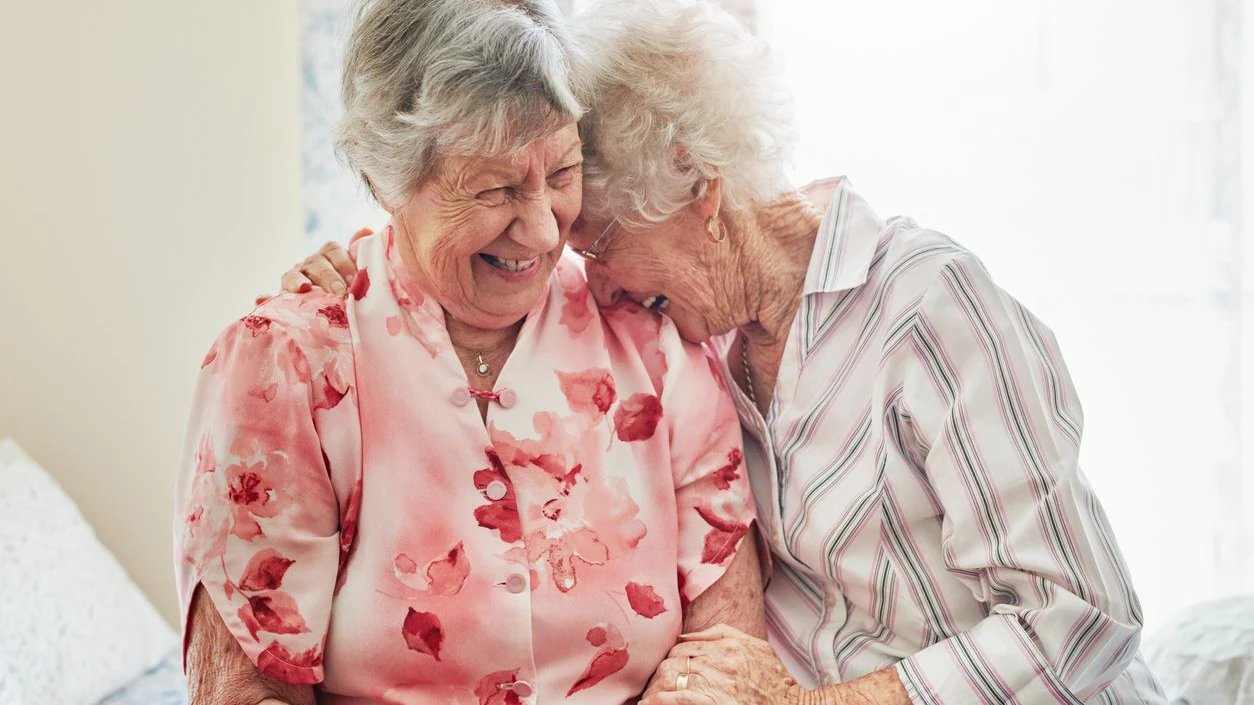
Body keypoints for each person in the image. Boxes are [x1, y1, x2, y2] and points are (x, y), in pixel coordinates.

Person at [287, 0, 1171, 702]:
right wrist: (362, 272)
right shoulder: (697, 346)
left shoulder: (926, 305)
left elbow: (1083, 614)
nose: (593, 289)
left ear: (701, 192)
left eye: (601, 246)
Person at [173, 1, 766, 704]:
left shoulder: (651, 344)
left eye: (562, 173)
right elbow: (246, 688)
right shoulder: (289, 366)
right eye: (497, 188)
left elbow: (728, 653)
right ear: (390, 180)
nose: (544, 229)